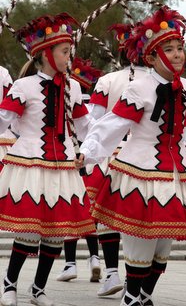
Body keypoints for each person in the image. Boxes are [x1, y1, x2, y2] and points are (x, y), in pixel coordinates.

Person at [75, 6, 186, 306]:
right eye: (169, 49)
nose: (178, 54)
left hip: (177, 178)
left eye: (180, 47)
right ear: (152, 57)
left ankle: (141, 296)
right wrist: (87, 152)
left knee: (161, 253)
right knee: (140, 249)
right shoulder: (138, 88)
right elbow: (113, 125)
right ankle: (132, 296)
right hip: (140, 175)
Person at [0, 13, 96, 306]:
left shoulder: (74, 88)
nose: (70, 57)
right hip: (31, 164)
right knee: (29, 231)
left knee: (56, 234)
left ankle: (38, 289)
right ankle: (9, 284)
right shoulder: (24, 86)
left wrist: (87, 151)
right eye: (65, 52)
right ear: (45, 54)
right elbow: (4, 120)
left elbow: (86, 126)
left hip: (63, 166)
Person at [86, 23, 150, 298]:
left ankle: (112, 271)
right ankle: (135, 279)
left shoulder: (108, 81)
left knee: (107, 217)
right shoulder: (158, 82)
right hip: (144, 156)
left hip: (110, 153)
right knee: (136, 218)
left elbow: (95, 120)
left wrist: (89, 148)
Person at [56, 57, 104, 283]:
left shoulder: (73, 100)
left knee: (70, 210)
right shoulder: (87, 104)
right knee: (88, 212)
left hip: (70, 157)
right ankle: (95, 257)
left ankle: (70, 264)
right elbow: (93, 130)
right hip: (90, 159)